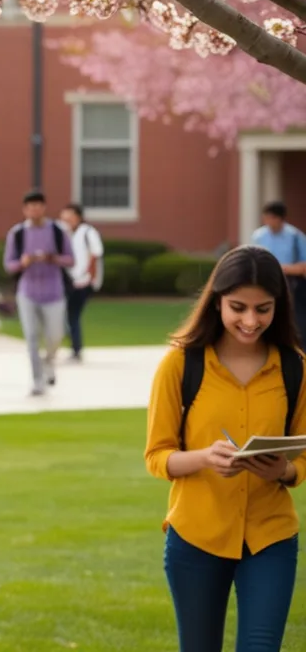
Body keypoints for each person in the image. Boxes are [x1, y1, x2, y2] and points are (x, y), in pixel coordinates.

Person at [145, 245, 304, 652]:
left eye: (263, 309)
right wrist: (204, 457)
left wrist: (284, 472)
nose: (251, 321)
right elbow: (157, 456)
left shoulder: (295, 367)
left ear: (278, 306)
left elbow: (303, 454)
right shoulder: (180, 365)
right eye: (238, 307)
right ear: (216, 302)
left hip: (271, 537)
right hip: (196, 537)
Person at [3, 190, 75, 396]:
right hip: (28, 292)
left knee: (55, 336)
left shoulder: (57, 231)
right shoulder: (17, 234)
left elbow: (71, 259)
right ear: (25, 210)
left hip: (54, 291)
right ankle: (37, 381)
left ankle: (49, 362)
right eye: (30, 206)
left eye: (38, 205)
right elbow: (9, 265)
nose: (34, 210)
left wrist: (54, 259)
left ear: (44, 207)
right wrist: (22, 263)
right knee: (31, 337)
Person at [251, 200, 306, 347]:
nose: (267, 221)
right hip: (265, 280)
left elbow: (304, 266)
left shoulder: (295, 236)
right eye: (265, 217)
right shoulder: (259, 236)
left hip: (290, 284)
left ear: (280, 218)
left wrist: (282, 268)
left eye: (270, 217)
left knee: (295, 321)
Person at [60, 203, 104, 362]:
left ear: (78, 217)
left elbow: (95, 254)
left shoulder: (88, 232)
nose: (66, 221)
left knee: (72, 314)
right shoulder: (67, 234)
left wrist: (88, 277)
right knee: (64, 313)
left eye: (69, 217)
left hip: (83, 281)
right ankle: (73, 345)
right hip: (71, 279)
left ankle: (76, 349)